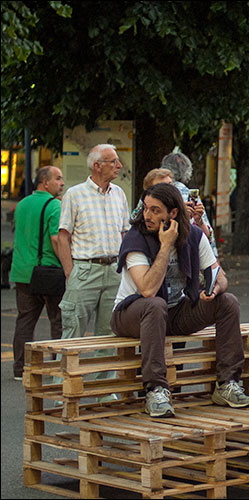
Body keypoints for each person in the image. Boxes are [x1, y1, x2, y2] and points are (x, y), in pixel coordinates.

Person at [111, 183, 249, 417]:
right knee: (155, 304)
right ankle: (155, 389)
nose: (147, 215)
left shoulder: (194, 236)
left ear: (173, 213)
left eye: (155, 210)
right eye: (146, 209)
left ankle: (227, 384)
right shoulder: (136, 238)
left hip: (172, 312)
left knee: (228, 301)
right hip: (130, 313)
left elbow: (221, 276)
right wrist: (165, 246)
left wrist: (214, 289)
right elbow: (147, 289)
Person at [56, 144, 131, 392]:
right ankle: (62, 390)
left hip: (113, 270)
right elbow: (63, 236)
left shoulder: (119, 193)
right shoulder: (75, 194)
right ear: (97, 165)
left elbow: (125, 233)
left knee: (109, 335)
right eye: (113, 161)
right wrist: (70, 272)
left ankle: (104, 392)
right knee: (73, 331)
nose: (119, 166)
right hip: (84, 268)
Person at [11, 166, 65, 381]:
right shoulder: (54, 206)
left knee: (25, 320)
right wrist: (68, 266)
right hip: (48, 272)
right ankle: (60, 367)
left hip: (22, 271)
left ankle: (20, 368)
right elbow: (55, 239)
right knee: (58, 321)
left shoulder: (22, 204)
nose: (61, 183)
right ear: (45, 183)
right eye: (58, 179)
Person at [160, 152, 218, 257]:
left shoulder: (152, 192)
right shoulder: (190, 195)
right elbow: (207, 233)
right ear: (187, 171)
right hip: (188, 253)